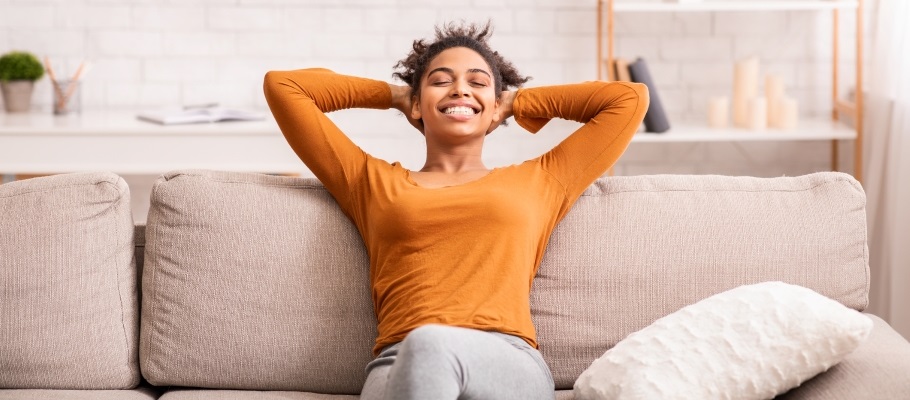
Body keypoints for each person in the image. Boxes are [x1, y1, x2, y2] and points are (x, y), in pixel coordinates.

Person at [263, 21, 649, 400]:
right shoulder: (370, 182)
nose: (460, 89)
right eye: (441, 81)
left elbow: (627, 100)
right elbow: (285, 87)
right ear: (418, 103)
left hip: (505, 361)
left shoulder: (541, 180)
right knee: (425, 347)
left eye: (477, 82)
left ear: (496, 105)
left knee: (431, 345)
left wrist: (514, 102)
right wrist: (397, 96)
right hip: (397, 363)